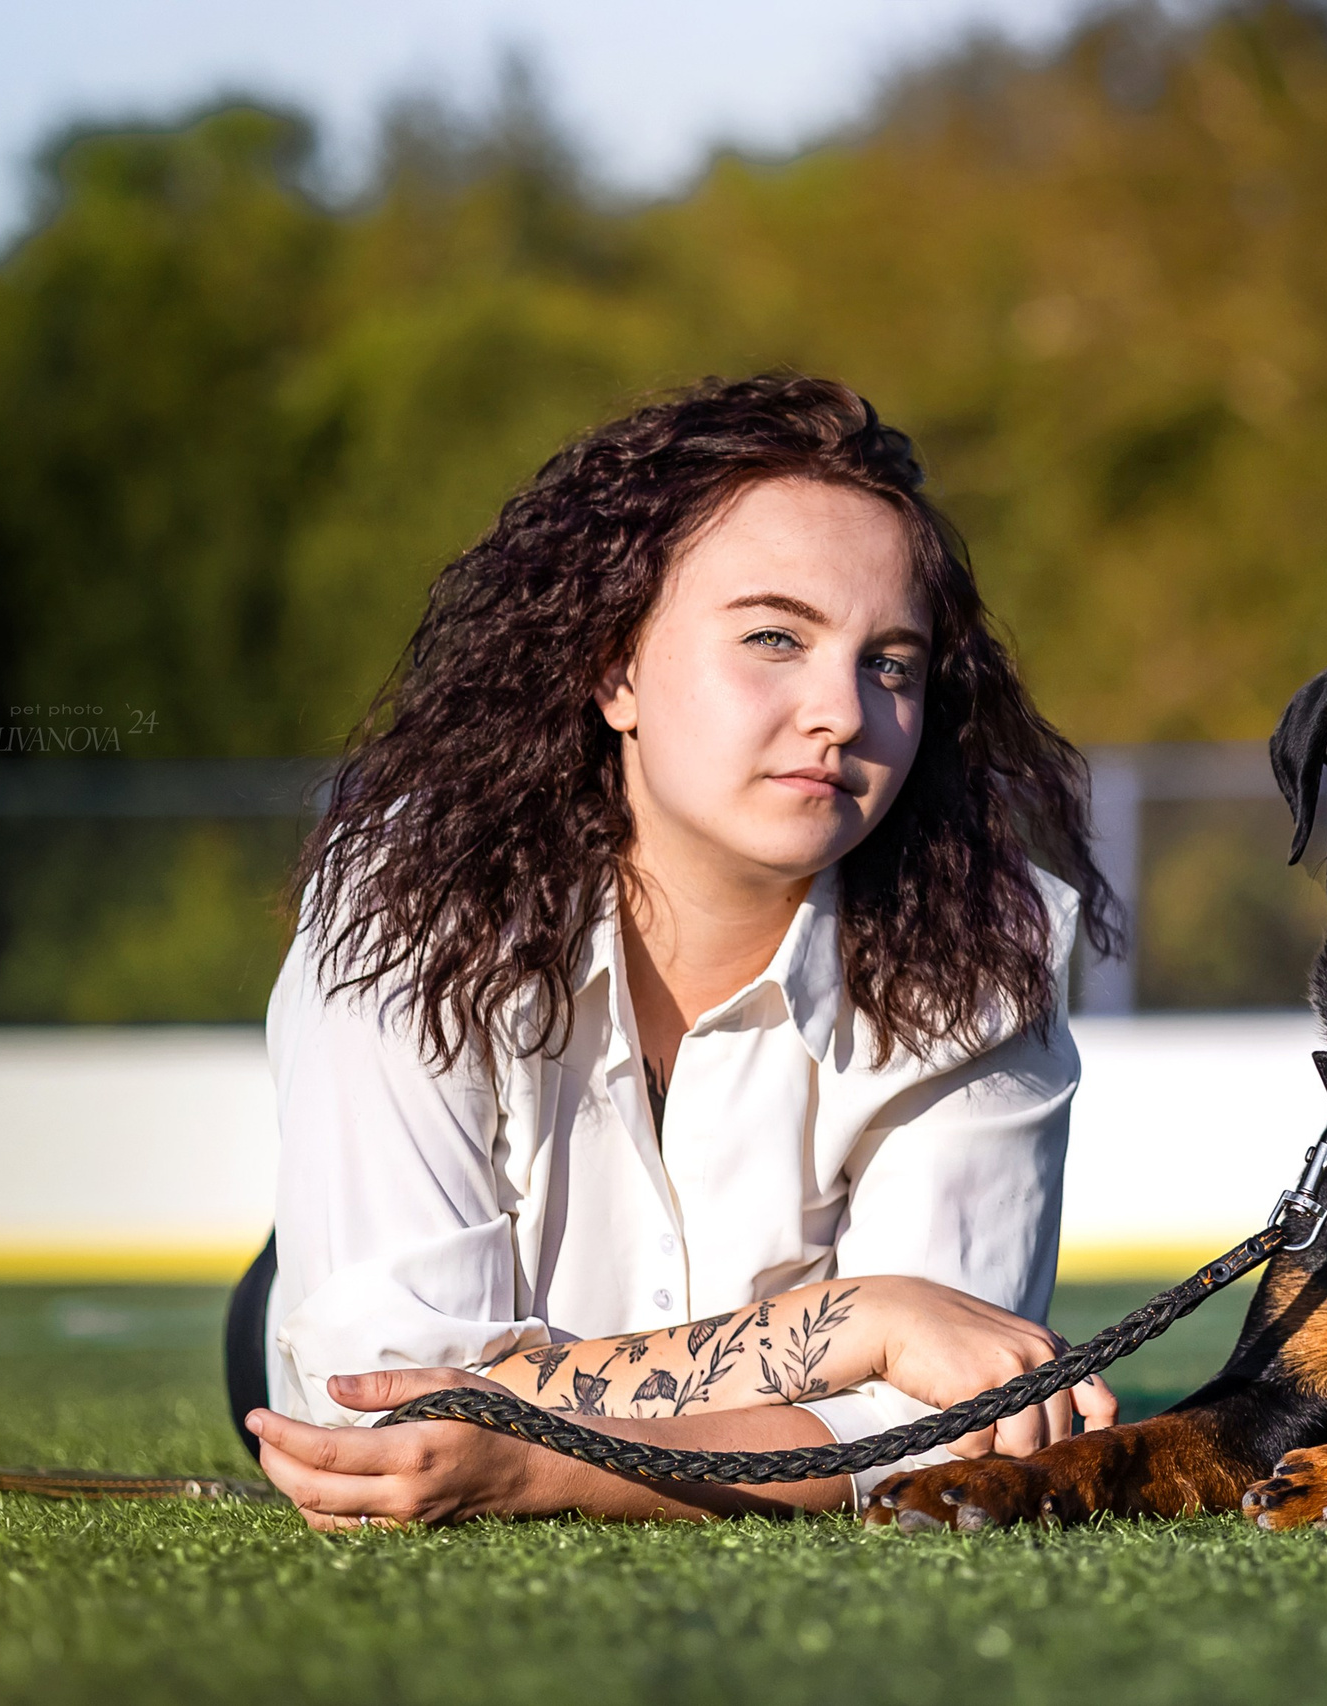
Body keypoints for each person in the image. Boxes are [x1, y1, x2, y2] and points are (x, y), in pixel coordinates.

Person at [231, 374, 1120, 1529]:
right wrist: (855, 1321)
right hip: (312, 1326)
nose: (844, 711)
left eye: (889, 661)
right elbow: (376, 1402)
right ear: (615, 668)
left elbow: (935, 1433)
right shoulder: (412, 897)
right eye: (772, 636)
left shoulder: (984, 947)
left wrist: (542, 1469)